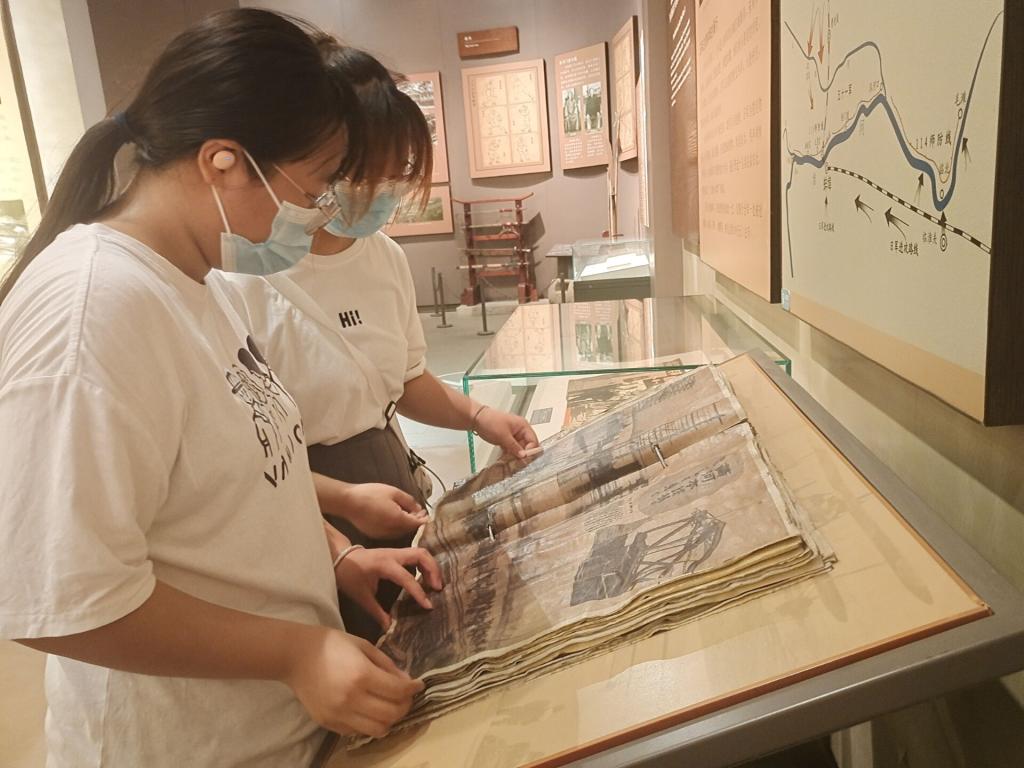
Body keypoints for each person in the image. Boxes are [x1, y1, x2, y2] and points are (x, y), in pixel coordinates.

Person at [0, 10, 442, 766]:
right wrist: (295, 653)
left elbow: (233, 475)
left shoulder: (199, 282)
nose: (318, 213)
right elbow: (58, 600)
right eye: (314, 188)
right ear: (223, 162)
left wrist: (336, 551)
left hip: (272, 731)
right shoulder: (93, 311)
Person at [227, 47, 539, 640]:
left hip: (389, 482)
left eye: (400, 173)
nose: (387, 190)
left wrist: (478, 416)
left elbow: (404, 379)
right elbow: (238, 458)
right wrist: (342, 502)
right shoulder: (244, 273)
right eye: (372, 172)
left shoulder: (385, 258)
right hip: (300, 500)